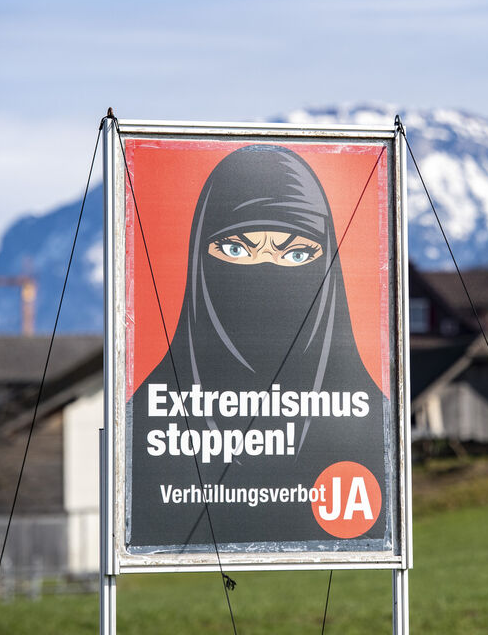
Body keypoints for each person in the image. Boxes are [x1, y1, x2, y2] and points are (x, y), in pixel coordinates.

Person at [127, 144, 390, 553]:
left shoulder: (368, 417)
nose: (265, 271)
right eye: (236, 249)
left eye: (297, 253)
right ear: (200, 257)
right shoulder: (145, 421)